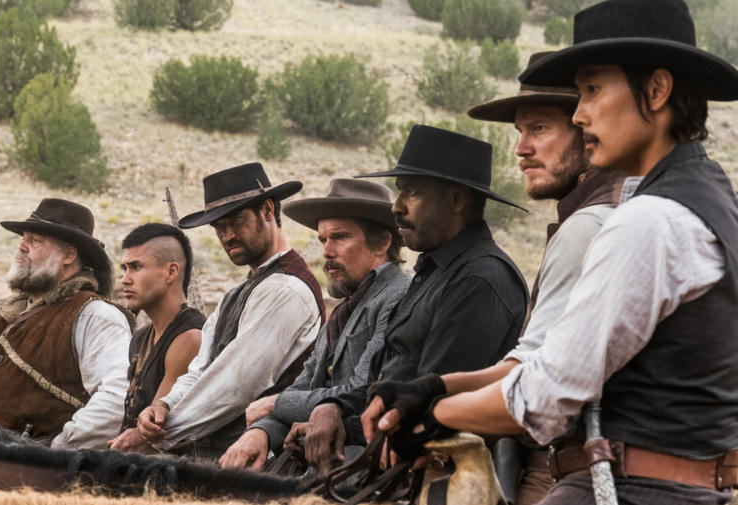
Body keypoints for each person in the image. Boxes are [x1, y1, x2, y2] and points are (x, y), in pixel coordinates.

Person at [364, 1, 738, 503]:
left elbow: (548, 393)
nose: (581, 114)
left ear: (656, 90)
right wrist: (435, 389)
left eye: (591, 90)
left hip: (631, 489)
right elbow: (546, 359)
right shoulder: (708, 200)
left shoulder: (650, 220)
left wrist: (431, 415)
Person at [432, 51, 622, 504]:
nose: (520, 149)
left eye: (538, 129)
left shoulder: (588, 226)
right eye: (520, 132)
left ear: (587, 128)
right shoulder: (611, 215)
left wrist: (433, 403)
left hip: (573, 470)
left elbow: (534, 373)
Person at [284, 125, 530, 475]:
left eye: (411, 193)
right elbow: (386, 380)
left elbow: (433, 405)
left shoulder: (479, 279)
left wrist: (339, 427)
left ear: (458, 200)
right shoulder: (435, 270)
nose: (397, 207)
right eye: (399, 192)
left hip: (432, 473)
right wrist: (333, 407)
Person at [135, 162, 325, 459]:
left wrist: (158, 435)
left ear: (267, 211)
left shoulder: (286, 290)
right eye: (219, 227)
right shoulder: (236, 295)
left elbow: (236, 384)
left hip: (263, 458)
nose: (227, 235)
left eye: (236, 221)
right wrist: (163, 406)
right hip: (214, 454)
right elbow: (201, 369)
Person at [219, 178, 410, 470]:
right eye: (323, 240)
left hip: (360, 469)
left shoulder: (397, 298)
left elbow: (360, 391)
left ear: (383, 242)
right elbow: (304, 385)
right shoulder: (344, 309)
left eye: (340, 237)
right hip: (319, 465)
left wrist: (275, 403)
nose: (326, 251)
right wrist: (262, 432)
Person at [0, 198, 132, 449]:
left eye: (35, 241)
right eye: (23, 239)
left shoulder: (95, 315)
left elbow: (116, 399)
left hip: (39, 477)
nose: (22, 247)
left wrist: (54, 452)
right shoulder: (9, 315)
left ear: (69, 254)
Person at [108, 223, 206, 453]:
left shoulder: (189, 338)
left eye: (136, 267)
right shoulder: (141, 338)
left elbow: (151, 432)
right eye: (124, 268)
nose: (125, 279)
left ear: (171, 272)